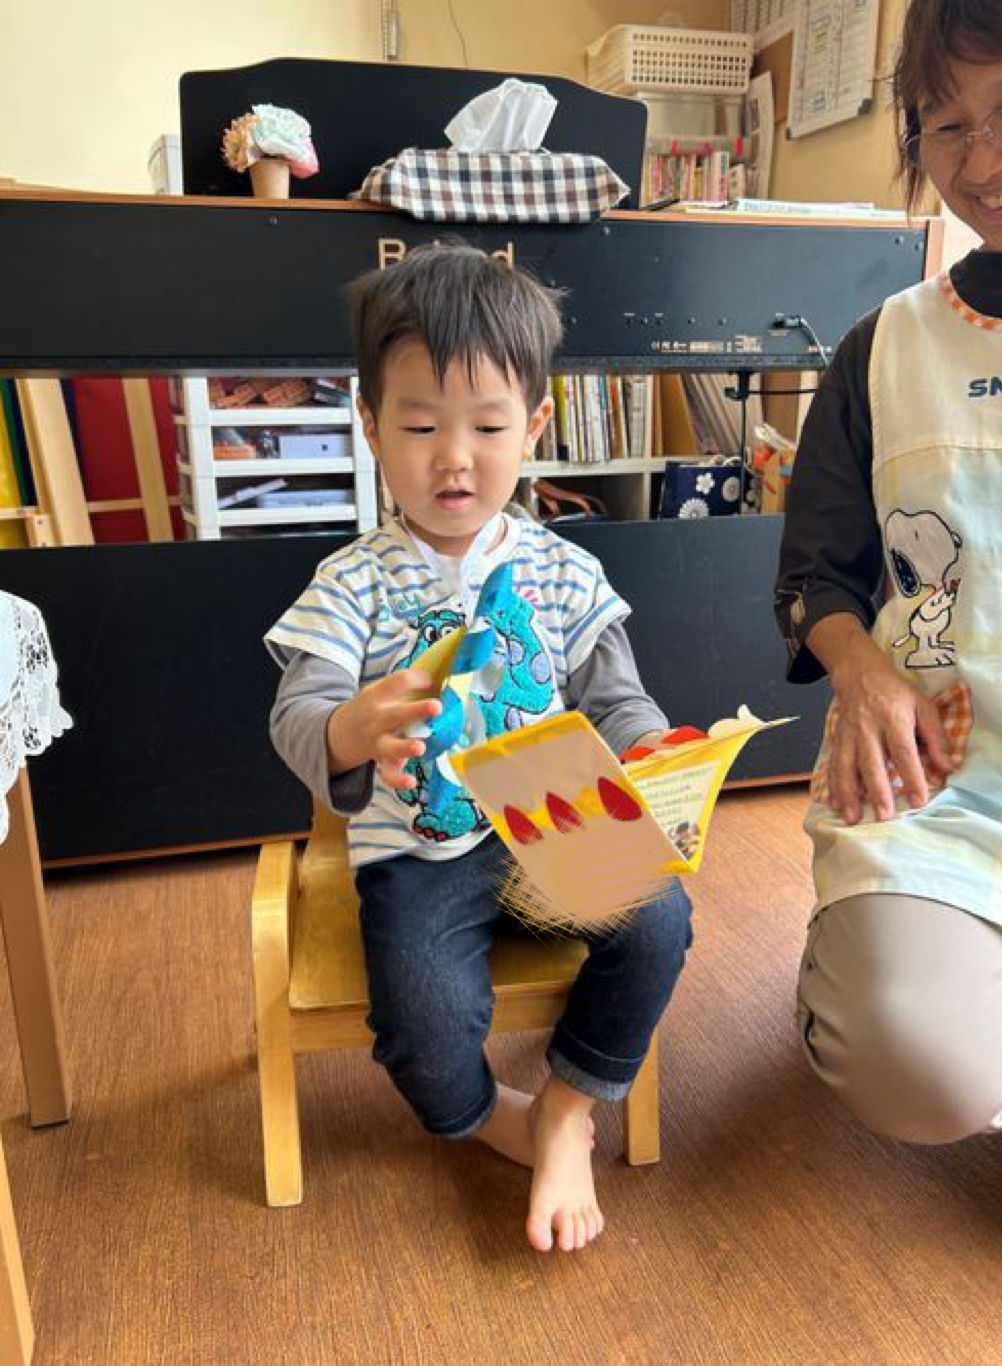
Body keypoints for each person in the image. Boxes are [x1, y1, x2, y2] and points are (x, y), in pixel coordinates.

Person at [266, 244, 692, 1251]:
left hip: (555, 808)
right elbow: (298, 712)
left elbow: (617, 699)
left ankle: (569, 1104)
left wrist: (653, 751)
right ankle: (500, 1118)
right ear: (370, 424)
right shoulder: (353, 581)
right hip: (419, 847)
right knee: (417, 1019)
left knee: (660, 918)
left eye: (489, 428)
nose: (453, 459)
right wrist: (349, 726)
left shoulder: (564, 570)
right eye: (419, 426)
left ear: (534, 426)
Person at [776, 0, 1002, 1145]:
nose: (986, 158)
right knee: (914, 1060)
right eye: (947, 125)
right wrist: (863, 671)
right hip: (946, 784)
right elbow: (814, 573)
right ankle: (871, 964)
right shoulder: (878, 348)